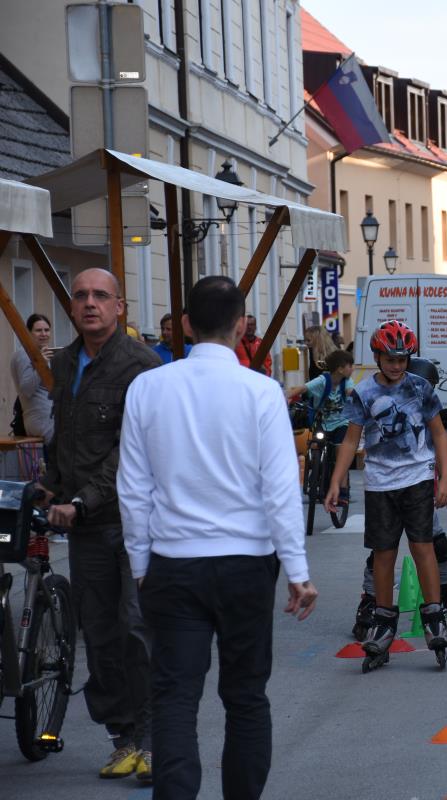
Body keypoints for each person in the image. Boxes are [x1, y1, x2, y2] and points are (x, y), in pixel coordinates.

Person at [117, 276, 317, 799]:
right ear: (242, 325)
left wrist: (141, 565)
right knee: (246, 697)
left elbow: (133, 489)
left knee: (175, 699)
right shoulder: (261, 392)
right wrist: (297, 571)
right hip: (245, 563)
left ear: (185, 324)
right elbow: (280, 489)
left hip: (173, 562)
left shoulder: (148, 388)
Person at [40, 268, 161, 780]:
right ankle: (122, 738)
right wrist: (49, 484)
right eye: (81, 295)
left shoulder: (142, 365)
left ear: (119, 306)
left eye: (100, 296)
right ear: (71, 306)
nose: (90, 303)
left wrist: (82, 500)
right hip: (84, 525)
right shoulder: (65, 362)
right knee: (101, 635)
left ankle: (152, 740)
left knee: (137, 627)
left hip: (133, 521)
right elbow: (63, 436)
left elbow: (130, 451)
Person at [323, 320, 447, 668]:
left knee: (423, 547)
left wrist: (445, 477)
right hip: (380, 483)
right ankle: (382, 622)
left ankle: (434, 616)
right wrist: (337, 481)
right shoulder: (363, 392)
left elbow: (439, 434)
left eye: (402, 359)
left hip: (417, 478)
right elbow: (351, 440)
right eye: (390, 359)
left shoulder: (420, 388)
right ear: (377, 357)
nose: (397, 365)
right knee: (383, 554)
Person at [285, 348, 356, 501]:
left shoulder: (347, 382)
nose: (353, 368)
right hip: (322, 422)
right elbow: (304, 388)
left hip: (341, 423)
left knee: (341, 453)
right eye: (350, 366)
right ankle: (315, 471)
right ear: (340, 369)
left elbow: (350, 391)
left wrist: (356, 397)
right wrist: (286, 396)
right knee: (315, 446)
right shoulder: (323, 380)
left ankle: (343, 491)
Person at [9, 312, 54, 438]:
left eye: (47, 330)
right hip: (42, 420)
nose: (44, 334)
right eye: (38, 330)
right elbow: (26, 389)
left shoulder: (42, 354)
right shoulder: (23, 354)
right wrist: (41, 364)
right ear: (29, 333)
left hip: (52, 418)